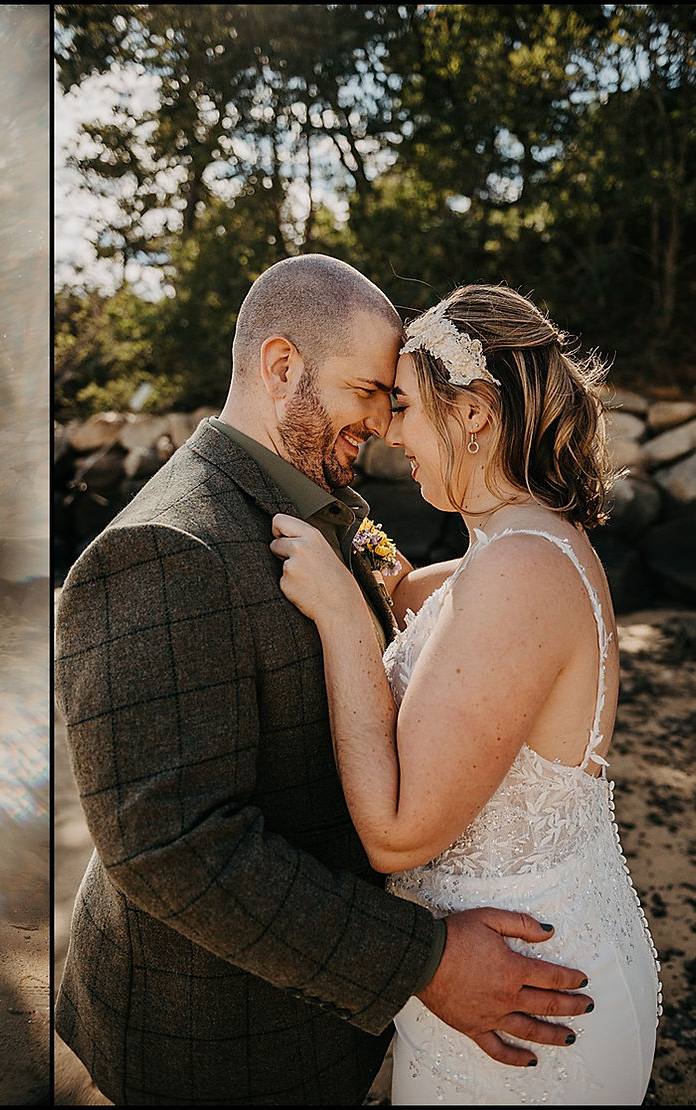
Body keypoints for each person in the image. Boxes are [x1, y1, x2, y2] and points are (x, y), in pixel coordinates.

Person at [55, 256, 594, 1106]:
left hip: (318, 1018)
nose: (383, 424)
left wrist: (528, 540)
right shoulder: (162, 550)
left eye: (392, 398)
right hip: (215, 1043)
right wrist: (422, 960)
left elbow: (445, 611)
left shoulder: (321, 501)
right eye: (367, 392)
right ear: (280, 369)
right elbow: (169, 848)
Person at [268, 284, 660, 1103]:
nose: (389, 431)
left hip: (524, 1000)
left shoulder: (520, 570)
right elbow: (414, 596)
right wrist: (344, 523)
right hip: (529, 961)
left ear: (474, 414)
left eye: (405, 407)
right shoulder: (525, 539)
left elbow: (397, 835)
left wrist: (343, 622)